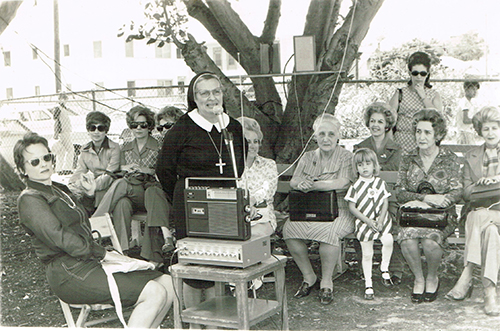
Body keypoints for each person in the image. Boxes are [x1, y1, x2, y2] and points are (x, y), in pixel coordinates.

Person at [14, 132, 173, 328]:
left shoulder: (58, 189)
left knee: (168, 284)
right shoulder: (29, 199)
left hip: (89, 262)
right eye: (35, 162)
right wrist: (104, 254)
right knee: (154, 292)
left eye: (47, 157)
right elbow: (60, 237)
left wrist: (89, 196)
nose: (44, 164)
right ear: (22, 169)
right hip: (69, 272)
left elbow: (80, 219)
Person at [156, 72, 245, 324]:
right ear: (194, 97)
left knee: (219, 265)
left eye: (216, 91)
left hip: (225, 204)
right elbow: (164, 170)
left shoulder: (234, 127)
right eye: (204, 93)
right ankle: (196, 324)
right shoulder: (181, 129)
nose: (211, 98)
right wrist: (182, 197)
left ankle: (216, 324)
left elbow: (240, 165)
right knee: (195, 269)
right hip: (191, 206)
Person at [282, 113, 356, 305]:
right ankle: (309, 276)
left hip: (339, 208)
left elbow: (342, 183)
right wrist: (301, 184)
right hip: (310, 207)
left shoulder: (347, 157)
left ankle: (327, 281)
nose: (326, 138)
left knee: (329, 233)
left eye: (331, 134)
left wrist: (314, 184)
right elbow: (294, 181)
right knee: (289, 230)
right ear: (314, 136)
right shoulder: (307, 157)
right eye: (321, 134)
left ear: (338, 136)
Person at [395, 109, 462, 303]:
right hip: (413, 215)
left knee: (430, 240)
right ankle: (419, 278)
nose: (421, 136)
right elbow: (399, 191)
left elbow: (457, 191)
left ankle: (432, 277)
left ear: (437, 135)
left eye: (427, 132)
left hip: (441, 216)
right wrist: (422, 199)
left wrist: (440, 200)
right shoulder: (408, 158)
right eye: (418, 131)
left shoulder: (449, 158)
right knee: (407, 238)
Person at [92, 106, 173, 265]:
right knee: (122, 203)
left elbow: (164, 172)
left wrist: (147, 170)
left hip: (150, 192)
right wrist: (124, 168)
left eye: (143, 125)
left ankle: (96, 221)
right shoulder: (125, 148)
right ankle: (123, 251)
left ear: (149, 126)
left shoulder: (158, 146)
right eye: (134, 125)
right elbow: (117, 171)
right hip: (132, 192)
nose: (138, 129)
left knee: (123, 184)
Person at [445, 106, 500, 316]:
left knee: (478, 216)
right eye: (486, 129)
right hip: (479, 218)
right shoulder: (472, 155)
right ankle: (490, 295)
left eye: (495, 128)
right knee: (491, 233)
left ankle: (467, 273)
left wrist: (494, 180)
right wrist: (486, 187)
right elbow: (467, 193)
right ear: (480, 131)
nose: (491, 133)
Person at [354, 102, 405, 285]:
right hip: (365, 197)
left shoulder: (396, 149)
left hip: (388, 196)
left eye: (380, 121)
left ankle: (395, 267)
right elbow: (357, 173)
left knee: (391, 223)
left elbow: (395, 176)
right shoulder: (360, 147)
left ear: (387, 125)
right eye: (373, 121)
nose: (375, 125)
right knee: (360, 221)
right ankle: (364, 267)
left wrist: (375, 171)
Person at [345, 148, 393, 300]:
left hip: (381, 221)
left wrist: (380, 220)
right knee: (367, 253)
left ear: (374, 165)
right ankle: (368, 283)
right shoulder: (355, 186)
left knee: (388, 240)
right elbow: (352, 207)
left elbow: (385, 202)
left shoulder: (380, 183)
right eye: (360, 165)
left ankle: (384, 267)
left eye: (368, 163)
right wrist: (368, 221)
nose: (364, 168)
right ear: (356, 167)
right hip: (365, 223)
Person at [389, 51, 443, 153]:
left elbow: (437, 119)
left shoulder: (434, 95)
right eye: (415, 73)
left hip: (425, 144)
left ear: (427, 75)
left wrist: (423, 95)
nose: (419, 77)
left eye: (422, 74)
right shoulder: (400, 93)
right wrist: (392, 145)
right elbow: (388, 121)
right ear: (410, 73)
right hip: (401, 144)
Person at [68, 111, 120, 212]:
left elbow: (110, 174)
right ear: (88, 130)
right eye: (92, 128)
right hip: (94, 185)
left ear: (106, 130)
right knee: (74, 195)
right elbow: (80, 171)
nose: (96, 132)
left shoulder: (114, 148)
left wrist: (90, 186)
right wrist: (71, 185)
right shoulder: (85, 149)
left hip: (110, 185)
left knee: (88, 195)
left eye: (100, 128)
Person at [237, 116, 278, 237]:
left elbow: (268, 190)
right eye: (248, 142)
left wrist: (251, 201)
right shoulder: (231, 166)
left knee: (251, 234)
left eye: (256, 141)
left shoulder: (268, 164)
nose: (252, 146)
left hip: (263, 215)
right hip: (235, 215)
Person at [51, 93, 75, 174]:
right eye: (63, 99)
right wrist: (56, 133)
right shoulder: (58, 108)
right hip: (63, 132)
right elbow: (56, 121)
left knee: (61, 151)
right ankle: (67, 168)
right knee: (70, 150)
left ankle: (59, 169)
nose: (65, 101)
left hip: (65, 131)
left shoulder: (63, 108)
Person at [456, 80, 482, 144]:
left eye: (476, 89)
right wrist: (477, 120)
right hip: (464, 133)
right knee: (471, 152)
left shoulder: (472, 102)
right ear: (466, 89)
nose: (475, 92)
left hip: (469, 132)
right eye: (473, 89)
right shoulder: (464, 102)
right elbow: (465, 120)